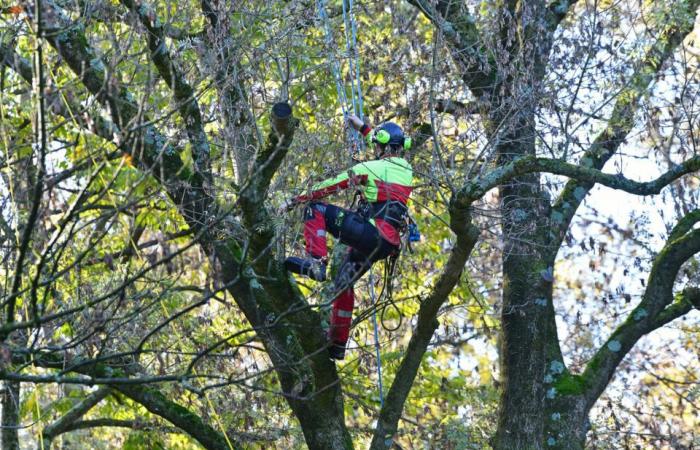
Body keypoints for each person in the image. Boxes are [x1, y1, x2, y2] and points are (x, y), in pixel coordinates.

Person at [281, 114, 413, 360]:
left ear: (382, 146)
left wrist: (294, 199)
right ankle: (337, 345)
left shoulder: (370, 168)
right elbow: (382, 141)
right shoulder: (406, 171)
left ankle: (316, 262)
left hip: (370, 235)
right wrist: (362, 127)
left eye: (377, 146)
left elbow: (331, 185)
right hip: (385, 245)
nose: (374, 149)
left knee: (315, 208)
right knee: (343, 283)